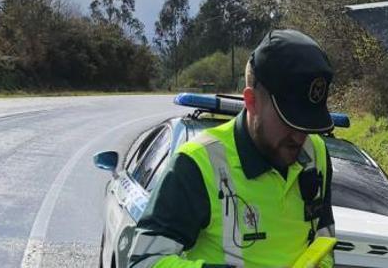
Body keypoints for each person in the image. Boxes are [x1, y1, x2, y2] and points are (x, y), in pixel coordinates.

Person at [120, 29, 337, 268]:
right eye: (288, 120)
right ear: (251, 101)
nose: (299, 136)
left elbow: (323, 239)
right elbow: (142, 262)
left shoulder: (316, 153)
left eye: (308, 124)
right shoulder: (197, 164)